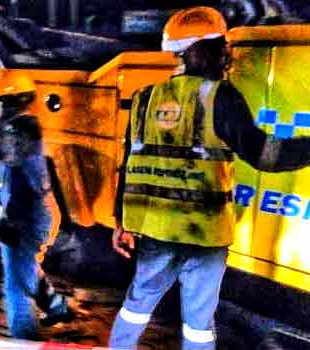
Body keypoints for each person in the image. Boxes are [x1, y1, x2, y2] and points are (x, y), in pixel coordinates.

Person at [109, 7, 310, 350]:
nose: (226, 54)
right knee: (199, 323)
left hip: (155, 227)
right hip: (203, 232)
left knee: (138, 303)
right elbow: (265, 155)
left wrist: (120, 222)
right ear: (207, 50)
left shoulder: (144, 99)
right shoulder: (222, 97)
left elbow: (130, 163)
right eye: (220, 46)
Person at [0, 71, 74, 340]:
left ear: (7, 101)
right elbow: (2, 149)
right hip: (41, 212)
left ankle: (25, 340)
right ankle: (57, 308)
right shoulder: (25, 125)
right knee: (27, 266)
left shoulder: (16, 131)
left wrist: (10, 221)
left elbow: (20, 181)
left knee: (15, 287)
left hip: (27, 216)